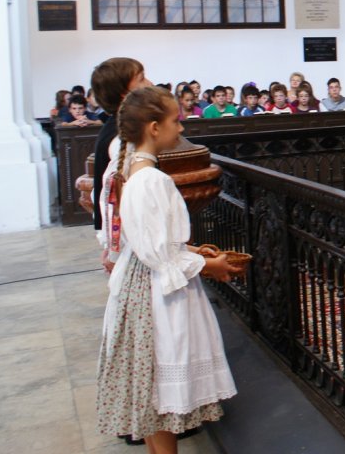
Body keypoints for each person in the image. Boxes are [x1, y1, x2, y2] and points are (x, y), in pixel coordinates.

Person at [96, 86, 239, 450]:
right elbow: (162, 257)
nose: (182, 127)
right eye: (176, 120)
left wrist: (192, 250)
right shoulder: (152, 180)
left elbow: (154, 240)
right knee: (159, 394)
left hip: (142, 279)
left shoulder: (134, 171)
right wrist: (210, 265)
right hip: (156, 293)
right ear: (154, 128)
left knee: (151, 392)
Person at [91, 58, 152, 236]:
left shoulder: (124, 126)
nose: (150, 83)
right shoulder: (121, 137)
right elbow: (124, 194)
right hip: (131, 234)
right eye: (142, 79)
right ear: (124, 94)